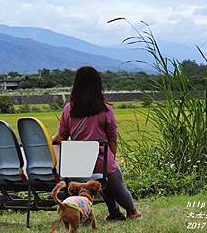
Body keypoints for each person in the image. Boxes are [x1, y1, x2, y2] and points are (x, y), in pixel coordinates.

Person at [52, 66, 142, 221]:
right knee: (115, 182)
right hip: (100, 159)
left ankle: (114, 213)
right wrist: (112, 159)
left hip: (77, 164)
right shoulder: (105, 109)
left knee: (105, 179)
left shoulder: (69, 109)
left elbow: (62, 136)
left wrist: (53, 139)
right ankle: (132, 212)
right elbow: (112, 138)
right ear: (98, 85)